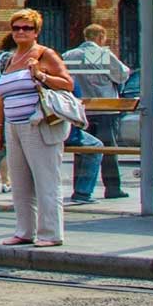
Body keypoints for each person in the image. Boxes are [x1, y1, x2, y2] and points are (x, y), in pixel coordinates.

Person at [0, 7, 73, 248]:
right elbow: (3, 96)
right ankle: (24, 231)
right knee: (20, 182)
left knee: (45, 179)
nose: (21, 32)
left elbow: (68, 84)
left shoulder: (44, 54)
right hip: (13, 126)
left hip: (38, 124)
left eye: (27, 28)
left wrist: (41, 75)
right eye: (16, 27)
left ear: (36, 31)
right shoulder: (9, 59)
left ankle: (51, 233)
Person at [62, 23, 131, 203]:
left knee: (82, 150)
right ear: (100, 37)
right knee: (107, 149)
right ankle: (113, 187)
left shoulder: (68, 55)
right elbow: (122, 75)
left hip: (79, 111)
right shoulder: (99, 53)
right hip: (104, 109)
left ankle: (81, 187)